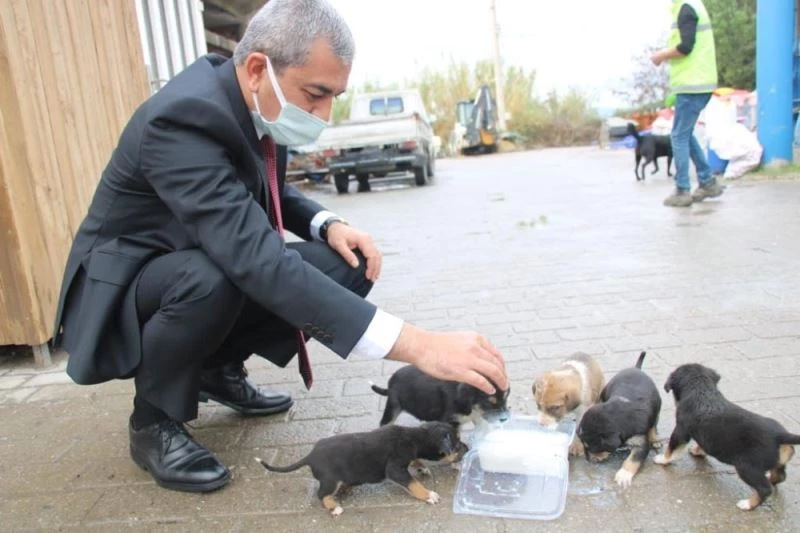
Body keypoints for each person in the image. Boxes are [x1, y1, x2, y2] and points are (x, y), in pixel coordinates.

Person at [51, 0, 508, 493]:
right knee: (214, 275)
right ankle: (152, 422)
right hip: (126, 288)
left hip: (199, 263)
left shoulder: (257, 102)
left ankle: (217, 371)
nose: (325, 114)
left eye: (335, 96)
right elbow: (252, 256)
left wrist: (326, 222)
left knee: (344, 262)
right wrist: (419, 345)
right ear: (256, 69)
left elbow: (266, 188)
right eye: (317, 94)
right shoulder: (182, 119)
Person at [651, 0, 726, 207]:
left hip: (693, 84)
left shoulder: (686, 8)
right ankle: (707, 182)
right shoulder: (692, 5)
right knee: (684, 133)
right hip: (698, 83)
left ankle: (682, 189)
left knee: (678, 135)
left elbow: (685, 47)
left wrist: (661, 55)